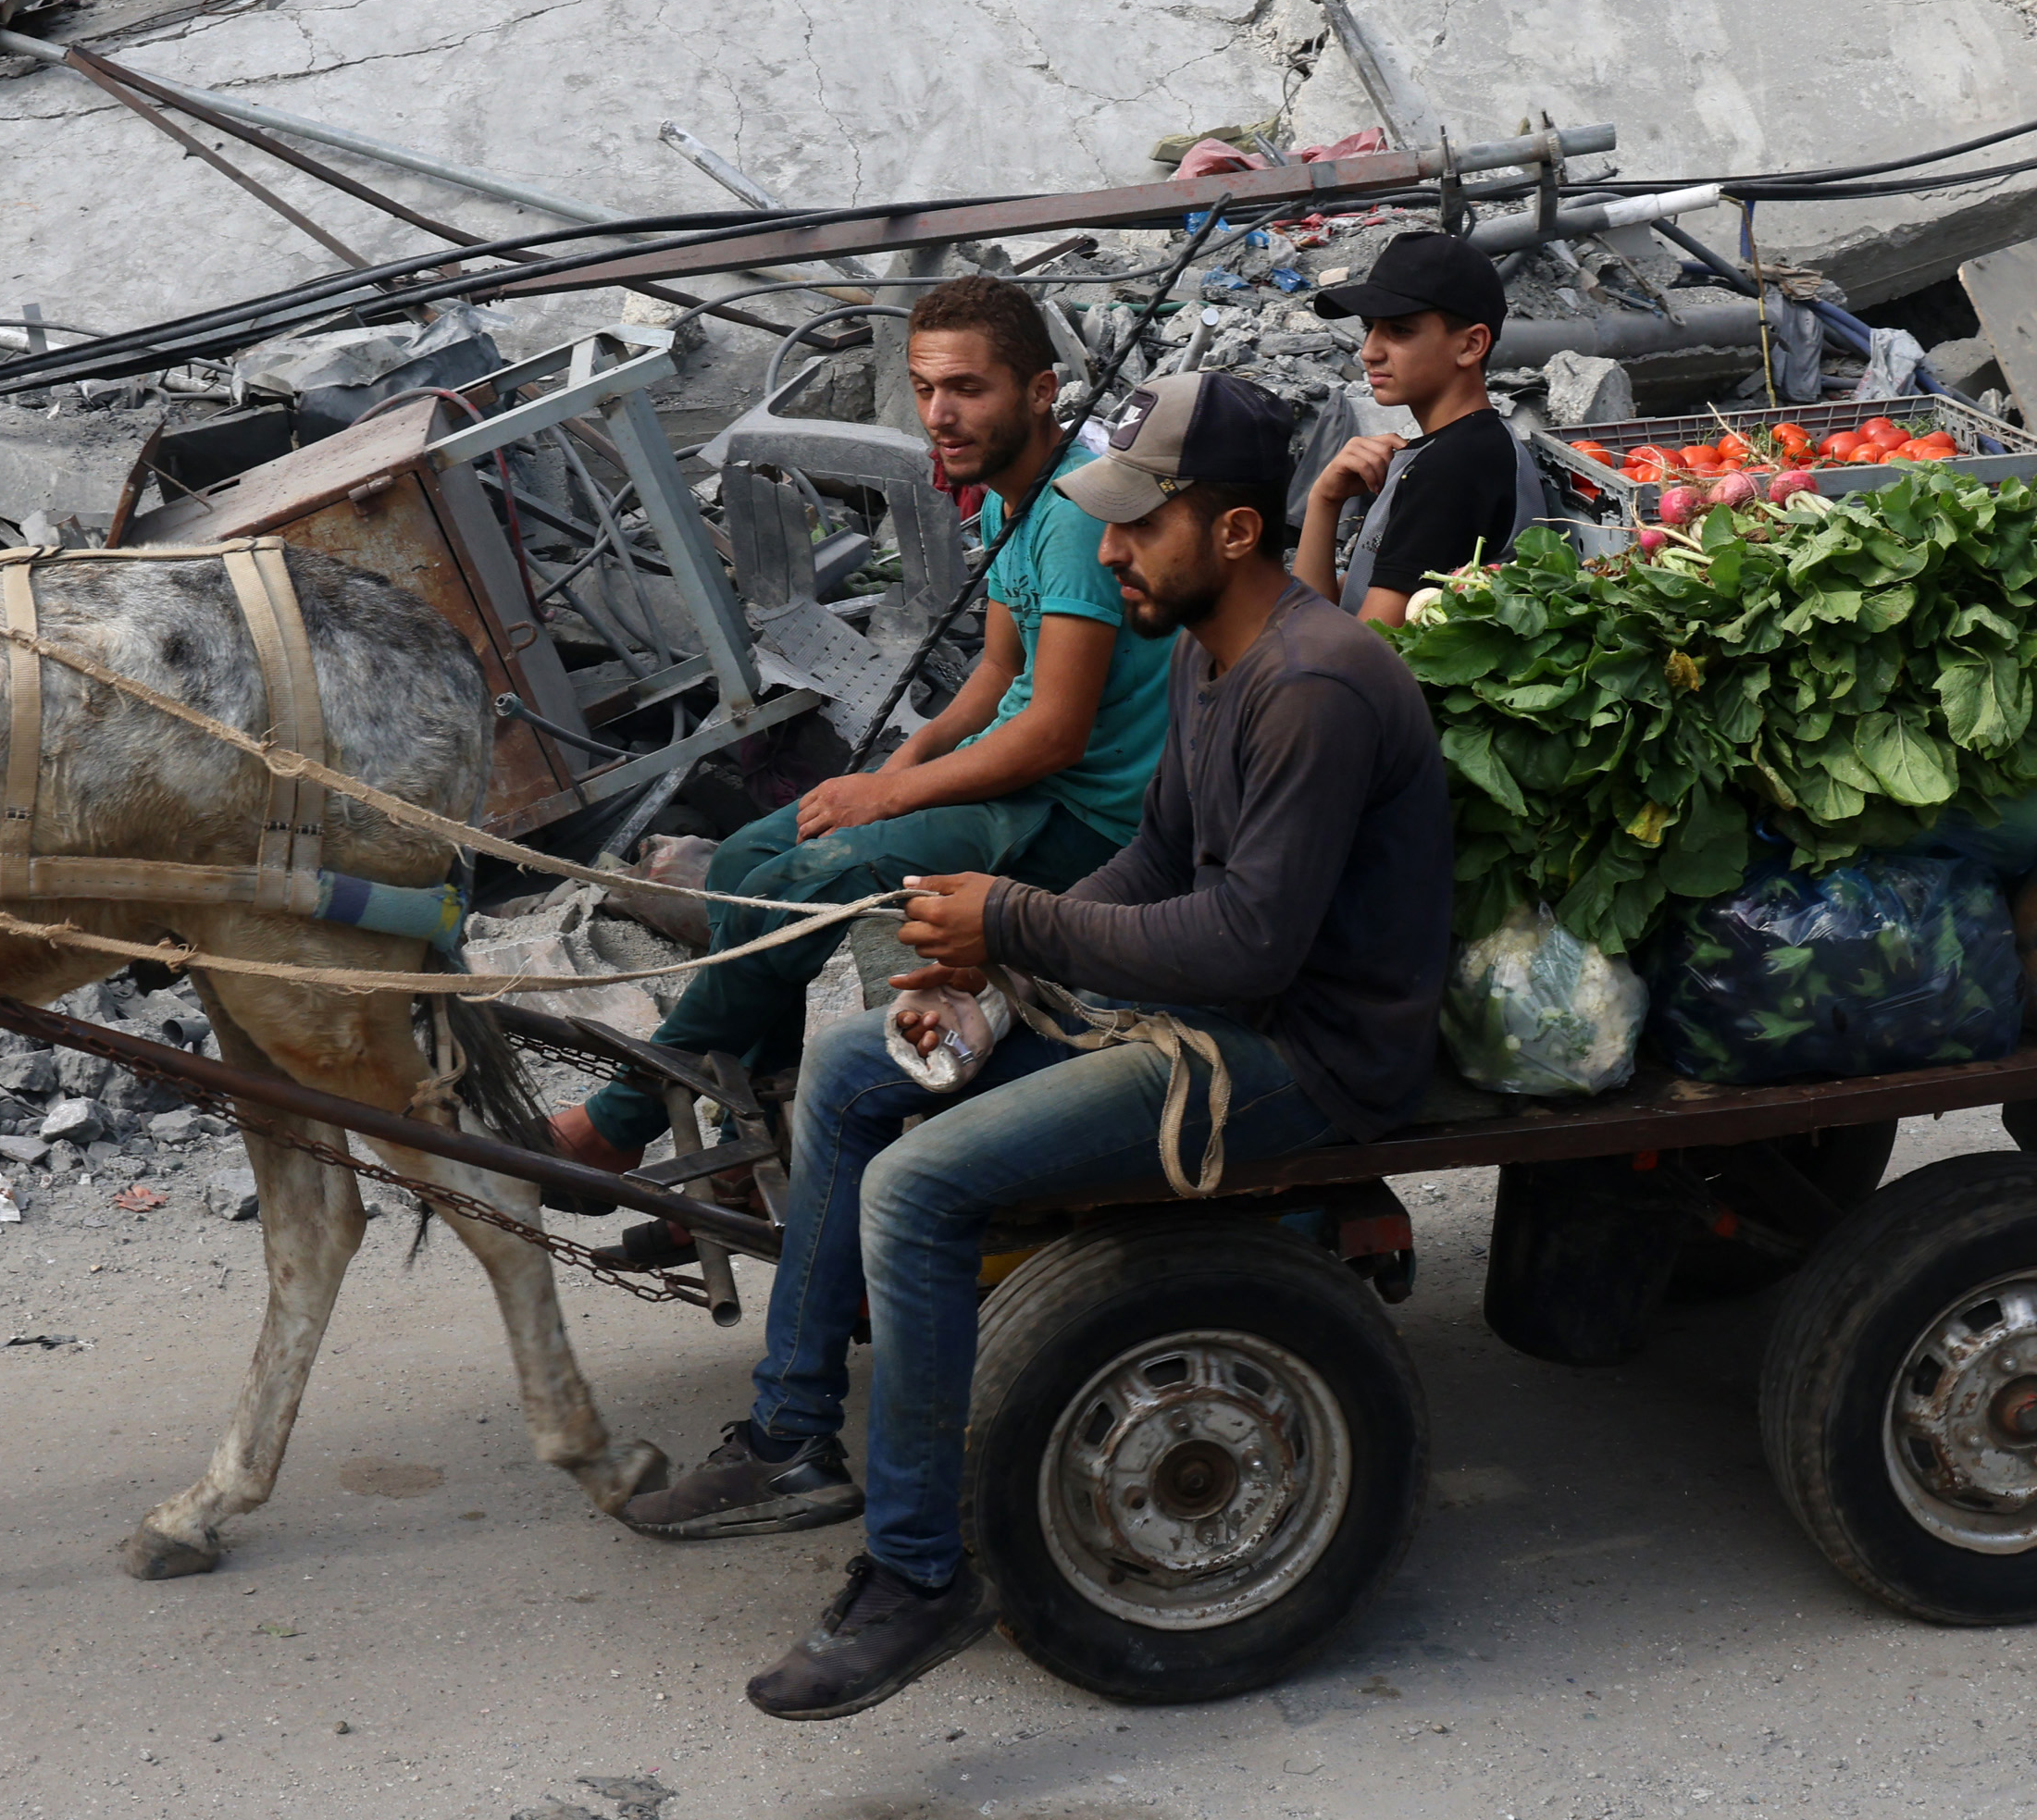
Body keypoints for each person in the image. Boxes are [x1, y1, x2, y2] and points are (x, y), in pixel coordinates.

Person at [618, 370, 1457, 1723]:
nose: (1111, 550)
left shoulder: (1315, 686)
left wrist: (1012, 918)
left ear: (1236, 531)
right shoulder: (1211, 653)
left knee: (918, 1186)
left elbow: (1247, 946)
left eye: (1139, 525)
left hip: (1300, 1057)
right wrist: (1000, 968)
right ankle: (790, 1435)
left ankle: (919, 1571)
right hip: (1213, 1012)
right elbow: (1155, 864)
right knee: (851, 1068)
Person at [542, 275, 1171, 1189]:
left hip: (1082, 816)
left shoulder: (1074, 514)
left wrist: (889, 795)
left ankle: (622, 1119)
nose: (939, 414)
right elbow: (999, 670)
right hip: (1024, 782)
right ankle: (758, 1119)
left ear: (1041, 391)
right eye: (924, 388)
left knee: (801, 880)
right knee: (749, 859)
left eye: (967, 388)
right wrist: (893, 769)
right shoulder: (1011, 496)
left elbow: (1053, 735)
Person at [1290, 226, 1532, 627]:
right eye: (1369, 328)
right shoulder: (1458, 446)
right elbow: (1322, 617)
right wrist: (1325, 500)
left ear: (1471, 345)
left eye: (1399, 330)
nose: (1369, 351)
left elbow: (1359, 648)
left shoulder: (1455, 466)